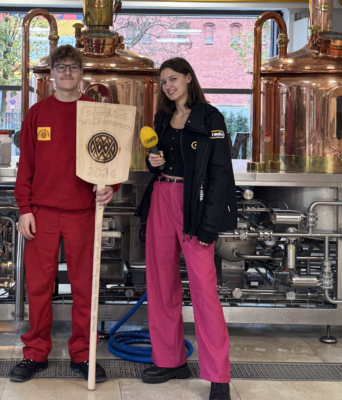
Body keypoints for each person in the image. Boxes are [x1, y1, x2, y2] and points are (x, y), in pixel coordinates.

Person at [11, 44, 118, 383]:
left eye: (73, 66)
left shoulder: (97, 112)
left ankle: (83, 354)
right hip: (41, 213)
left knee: (85, 286)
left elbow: (111, 158)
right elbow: (25, 165)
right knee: (38, 286)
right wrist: (25, 209)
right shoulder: (37, 113)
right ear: (52, 73)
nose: (67, 72)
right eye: (61, 67)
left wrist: (109, 187)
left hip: (83, 213)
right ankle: (35, 352)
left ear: (81, 72)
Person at [138, 57, 237, 400]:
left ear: (189, 78)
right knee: (162, 284)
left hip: (194, 205)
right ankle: (169, 360)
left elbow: (221, 174)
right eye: (164, 80)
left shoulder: (211, 118)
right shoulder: (163, 118)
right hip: (162, 198)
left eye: (174, 78)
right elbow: (161, 159)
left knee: (204, 290)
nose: (168, 85)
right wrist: (154, 163)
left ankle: (218, 375)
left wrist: (209, 223)